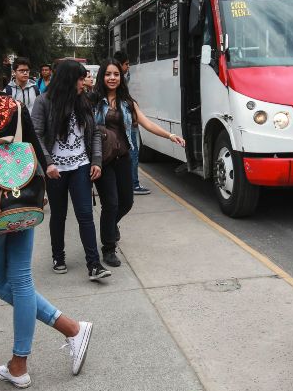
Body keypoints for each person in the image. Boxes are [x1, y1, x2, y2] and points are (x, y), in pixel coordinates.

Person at [0, 36, 93, 388]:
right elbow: (37, 153)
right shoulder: (15, 106)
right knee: (22, 280)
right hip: (23, 202)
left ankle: (66, 330)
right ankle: (22, 362)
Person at [91, 59, 185, 267]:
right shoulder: (93, 101)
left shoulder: (127, 102)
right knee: (111, 203)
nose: (112, 78)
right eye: (108, 74)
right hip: (102, 161)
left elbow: (147, 123)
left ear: (121, 77)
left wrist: (170, 135)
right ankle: (108, 248)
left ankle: (110, 225)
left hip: (123, 158)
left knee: (127, 202)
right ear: (102, 77)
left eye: (116, 74)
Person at [32, 60, 110, 280]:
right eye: (80, 78)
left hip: (80, 167)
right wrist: (47, 164)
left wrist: (96, 160)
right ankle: (58, 256)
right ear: (69, 79)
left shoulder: (83, 101)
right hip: (55, 170)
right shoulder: (43, 102)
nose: (84, 82)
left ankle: (94, 265)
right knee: (58, 215)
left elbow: (94, 132)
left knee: (85, 215)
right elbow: (36, 135)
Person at [113, 51, 149, 196]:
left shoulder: (122, 81)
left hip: (125, 125)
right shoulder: (119, 82)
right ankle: (133, 183)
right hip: (125, 127)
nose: (128, 67)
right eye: (126, 64)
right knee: (133, 153)